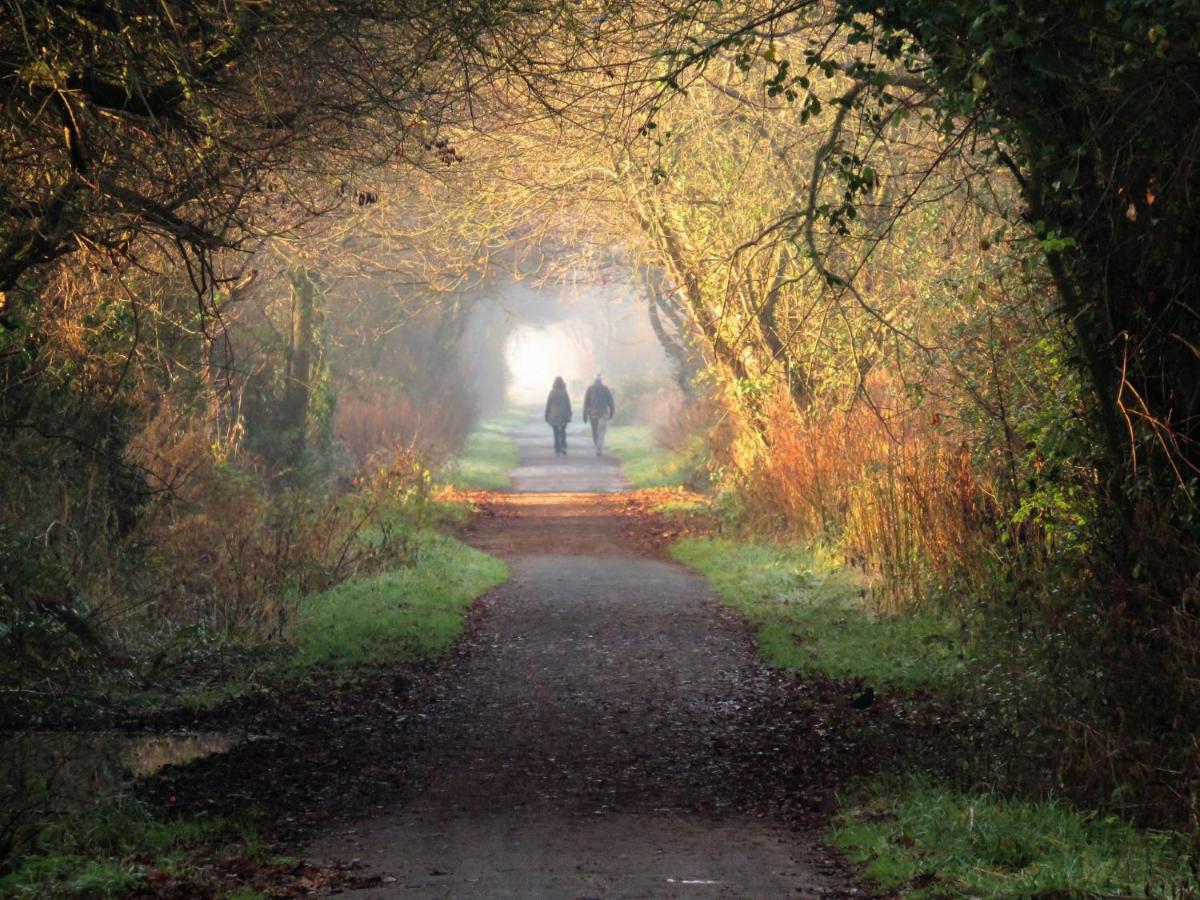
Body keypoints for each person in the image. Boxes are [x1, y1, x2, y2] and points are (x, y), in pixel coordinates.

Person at [582, 374, 615, 456]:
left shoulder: (590, 389)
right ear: (601, 380)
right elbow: (611, 402)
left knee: (594, 431)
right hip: (604, 413)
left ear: (594, 380)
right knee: (602, 431)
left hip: (593, 414)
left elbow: (586, 404)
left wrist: (585, 416)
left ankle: (597, 446)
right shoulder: (605, 389)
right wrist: (612, 413)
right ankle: (599, 448)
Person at [544, 375, 572, 455]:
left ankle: (557, 449)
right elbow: (568, 404)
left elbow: (548, 405)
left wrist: (546, 415)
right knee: (563, 431)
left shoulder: (552, 392)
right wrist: (570, 413)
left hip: (554, 416)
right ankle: (563, 446)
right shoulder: (564, 392)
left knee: (556, 432)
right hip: (564, 415)